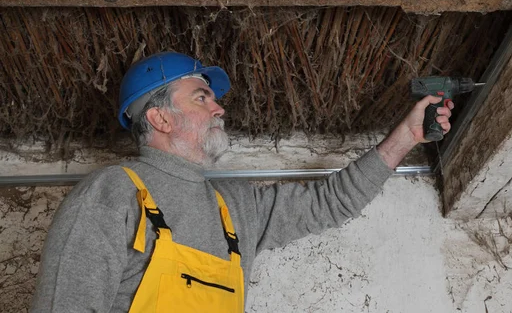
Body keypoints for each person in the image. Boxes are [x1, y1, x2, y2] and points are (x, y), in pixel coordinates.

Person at [31, 51, 453, 312]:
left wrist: (407, 137)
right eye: (202, 97)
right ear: (159, 118)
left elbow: (331, 202)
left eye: (214, 99)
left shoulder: (234, 209)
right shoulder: (113, 193)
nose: (219, 109)